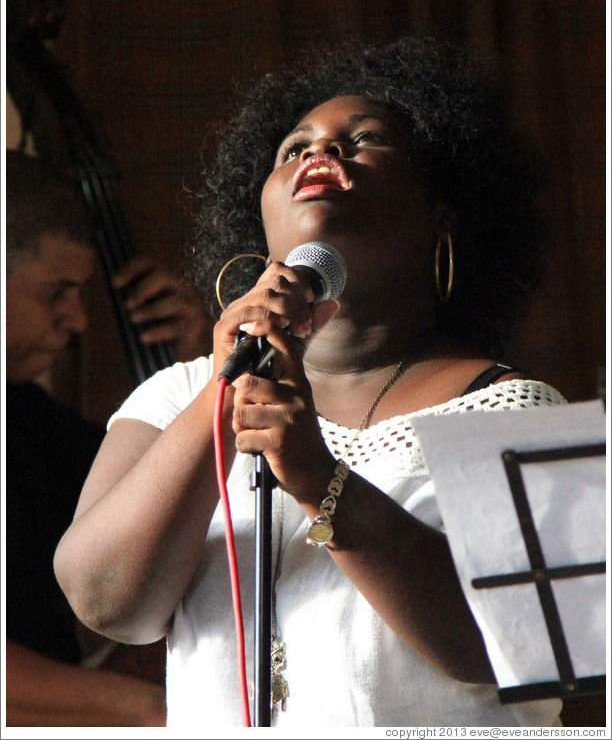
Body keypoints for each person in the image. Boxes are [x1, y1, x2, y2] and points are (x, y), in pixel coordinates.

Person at [54, 36, 568, 728]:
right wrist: (226, 390)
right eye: (295, 148)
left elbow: (528, 645)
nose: (321, 153)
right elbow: (106, 601)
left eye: (365, 140)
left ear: (440, 217)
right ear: (258, 219)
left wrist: (318, 476)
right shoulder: (177, 396)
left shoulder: (520, 409)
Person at [5, 148, 208, 726]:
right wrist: (150, 709)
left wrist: (194, 366)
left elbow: (155, 498)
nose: (79, 319)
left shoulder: (29, 421)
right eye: (55, 292)